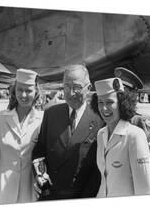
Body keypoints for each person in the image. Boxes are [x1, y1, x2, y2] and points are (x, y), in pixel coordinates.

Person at [32, 64, 104, 200]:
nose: (70, 93)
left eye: (76, 87)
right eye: (66, 87)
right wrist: (41, 178)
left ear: (88, 88)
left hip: (82, 196)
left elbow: (99, 168)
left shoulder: (99, 119)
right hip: (50, 194)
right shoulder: (51, 113)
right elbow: (39, 152)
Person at [0, 69, 44, 205]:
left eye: (28, 91)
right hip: (0, 194)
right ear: (14, 90)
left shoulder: (42, 120)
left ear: (36, 92)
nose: (23, 95)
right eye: (20, 90)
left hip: (30, 195)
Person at [94, 77, 150, 197]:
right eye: (100, 102)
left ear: (121, 104)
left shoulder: (135, 136)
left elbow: (144, 191)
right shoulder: (101, 134)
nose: (104, 108)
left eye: (110, 102)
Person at [114, 67, 150, 192]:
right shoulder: (109, 120)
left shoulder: (140, 122)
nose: (119, 97)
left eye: (123, 93)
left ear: (131, 95)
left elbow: (149, 167)